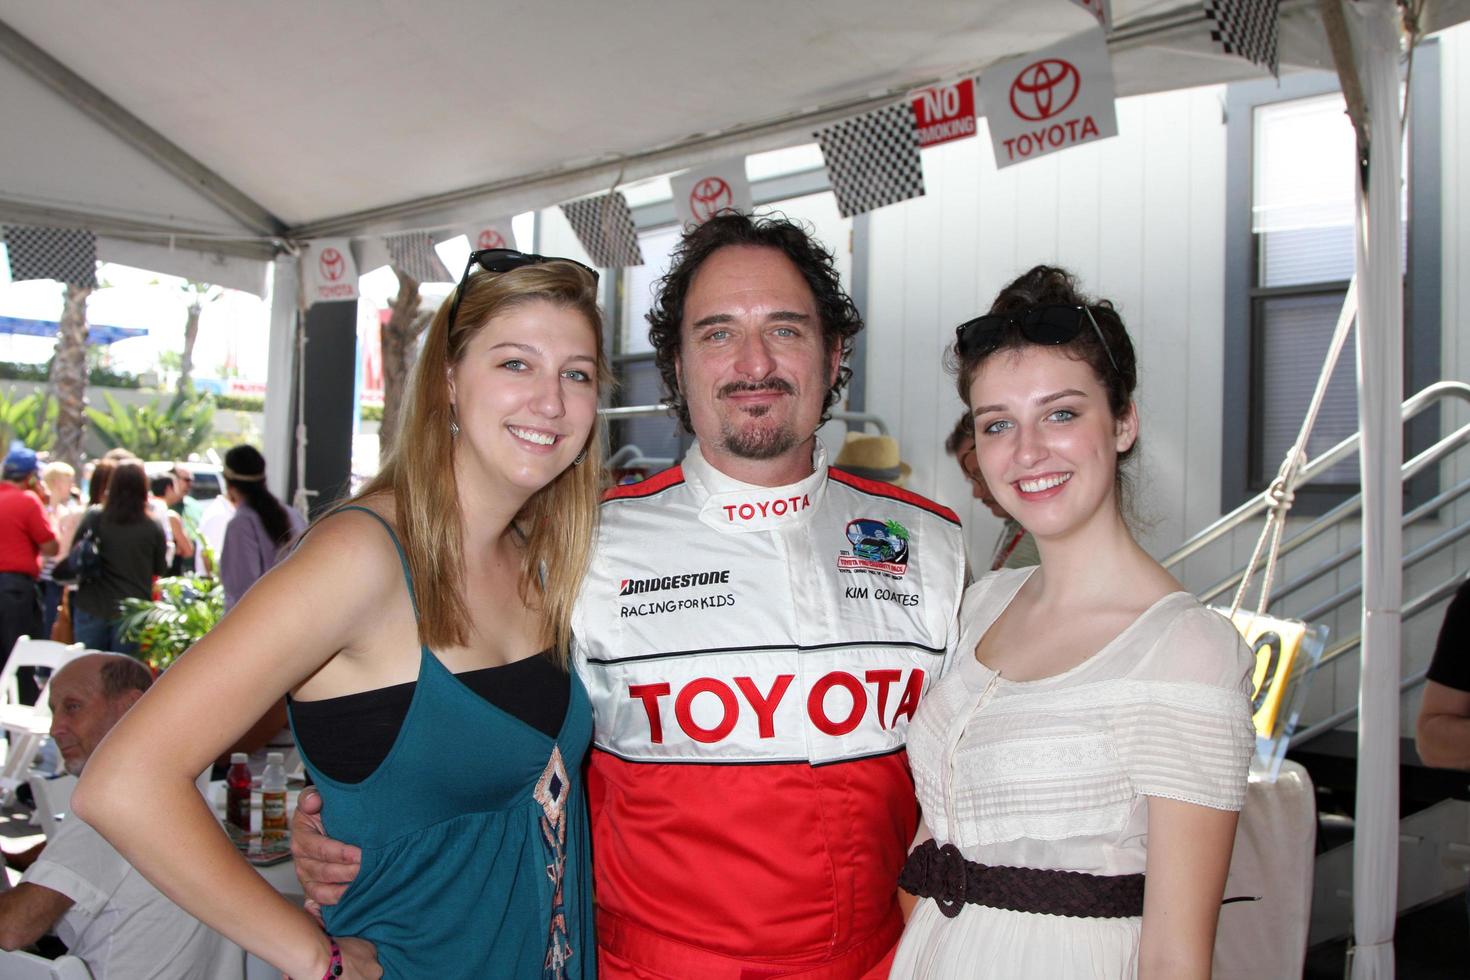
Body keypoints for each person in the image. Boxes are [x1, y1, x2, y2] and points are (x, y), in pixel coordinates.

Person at [295, 214, 967, 978]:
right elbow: (458, 731)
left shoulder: (933, 546)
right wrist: (349, 823)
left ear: (835, 350)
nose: (754, 362)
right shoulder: (576, 547)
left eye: (785, 328)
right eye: (716, 334)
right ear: (676, 367)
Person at [75, 250, 609, 979]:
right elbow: (126, 781)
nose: (550, 401)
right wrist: (315, 958)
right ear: (448, 381)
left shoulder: (539, 557)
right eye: (516, 364)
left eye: (576, 373)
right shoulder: (362, 556)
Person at [890, 266, 1255, 979]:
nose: (1027, 452)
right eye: (998, 424)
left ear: (1123, 423)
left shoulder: (1187, 651)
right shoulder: (981, 605)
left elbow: (1177, 957)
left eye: (1061, 414)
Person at [0, 653, 241, 979]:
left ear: (131, 706)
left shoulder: (115, 800)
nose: (56, 728)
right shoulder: (173, 780)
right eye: (53, 712)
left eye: (73, 707)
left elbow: (13, 929)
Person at [70, 460, 167, 653]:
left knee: (88, 669)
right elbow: (160, 568)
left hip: (92, 604)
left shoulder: (95, 517)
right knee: (123, 675)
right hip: (131, 610)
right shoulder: (152, 526)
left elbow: (75, 551)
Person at [944, 411, 1038, 570]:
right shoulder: (1017, 525)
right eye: (971, 481)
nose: (977, 494)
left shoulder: (1047, 532)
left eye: (981, 476)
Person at [217, 445, 305, 609]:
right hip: (297, 616)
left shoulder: (241, 525)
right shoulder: (293, 516)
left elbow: (242, 594)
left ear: (229, 484)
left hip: (262, 623)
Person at [0, 448, 58, 670]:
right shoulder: (28, 501)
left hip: (13, 587)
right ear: (30, 477)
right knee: (20, 657)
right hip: (14, 589)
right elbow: (50, 546)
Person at [39, 461, 82, 638]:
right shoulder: (43, 509)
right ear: (57, 482)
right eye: (68, 481)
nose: (71, 486)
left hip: (56, 579)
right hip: (42, 578)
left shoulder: (69, 511)